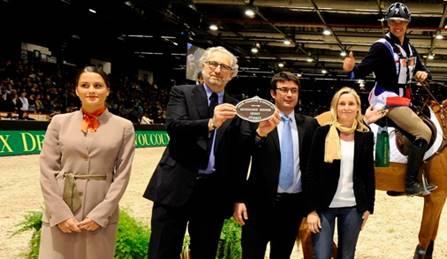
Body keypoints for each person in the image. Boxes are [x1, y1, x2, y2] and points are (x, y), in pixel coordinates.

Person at [143, 46, 242, 258]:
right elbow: (175, 126)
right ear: (202, 67)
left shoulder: (236, 107)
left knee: (205, 252)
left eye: (224, 66)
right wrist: (211, 123)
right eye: (212, 64)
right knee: (162, 251)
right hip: (175, 186)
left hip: (213, 193)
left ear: (232, 74)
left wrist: (261, 133)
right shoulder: (182, 93)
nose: (217, 70)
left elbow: (239, 154)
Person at [38, 66, 135, 258]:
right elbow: (47, 170)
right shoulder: (58, 122)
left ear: (107, 90)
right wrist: (60, 214)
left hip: (100, 210)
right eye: (85, 85)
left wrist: (102, 214)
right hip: (62, 206)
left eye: (97, 85)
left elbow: (122, 176)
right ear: (76, 90)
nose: (91, 90)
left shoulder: (124, 127)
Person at [342, 2, 435, 196]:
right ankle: (410, 184)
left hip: (405, 99)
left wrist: (423, 74)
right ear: (388, 24)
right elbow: (360, 72)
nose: (397, 25)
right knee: (423, 132)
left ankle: (401, 179)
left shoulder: (409, 48)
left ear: (408, 24)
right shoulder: (381, 47)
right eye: (393, 21)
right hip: (387, 99)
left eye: (401, 21)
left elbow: (423, 70)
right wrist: (350, 70)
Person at [231, 72, 320, 258]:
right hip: (258, 205)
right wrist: (260, 134)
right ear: (273, 93)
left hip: (292, 206)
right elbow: (241, 157)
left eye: (294, 90)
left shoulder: (310, 125)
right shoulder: (255, 121)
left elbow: (313, 168)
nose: (289, 94)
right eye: (284, 90)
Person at [304, 87, 382, 259]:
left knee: (347, 255)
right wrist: (310, 210)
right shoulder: (322, 133)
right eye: (342, 104)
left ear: (357, 108)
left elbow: (368, 173)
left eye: (351, 104)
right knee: (321, 255)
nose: (346, 107)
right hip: (324, 207)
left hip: (353, 207)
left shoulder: (365, 135)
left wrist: (368, 207)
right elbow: (311, 173)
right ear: (335, 107)